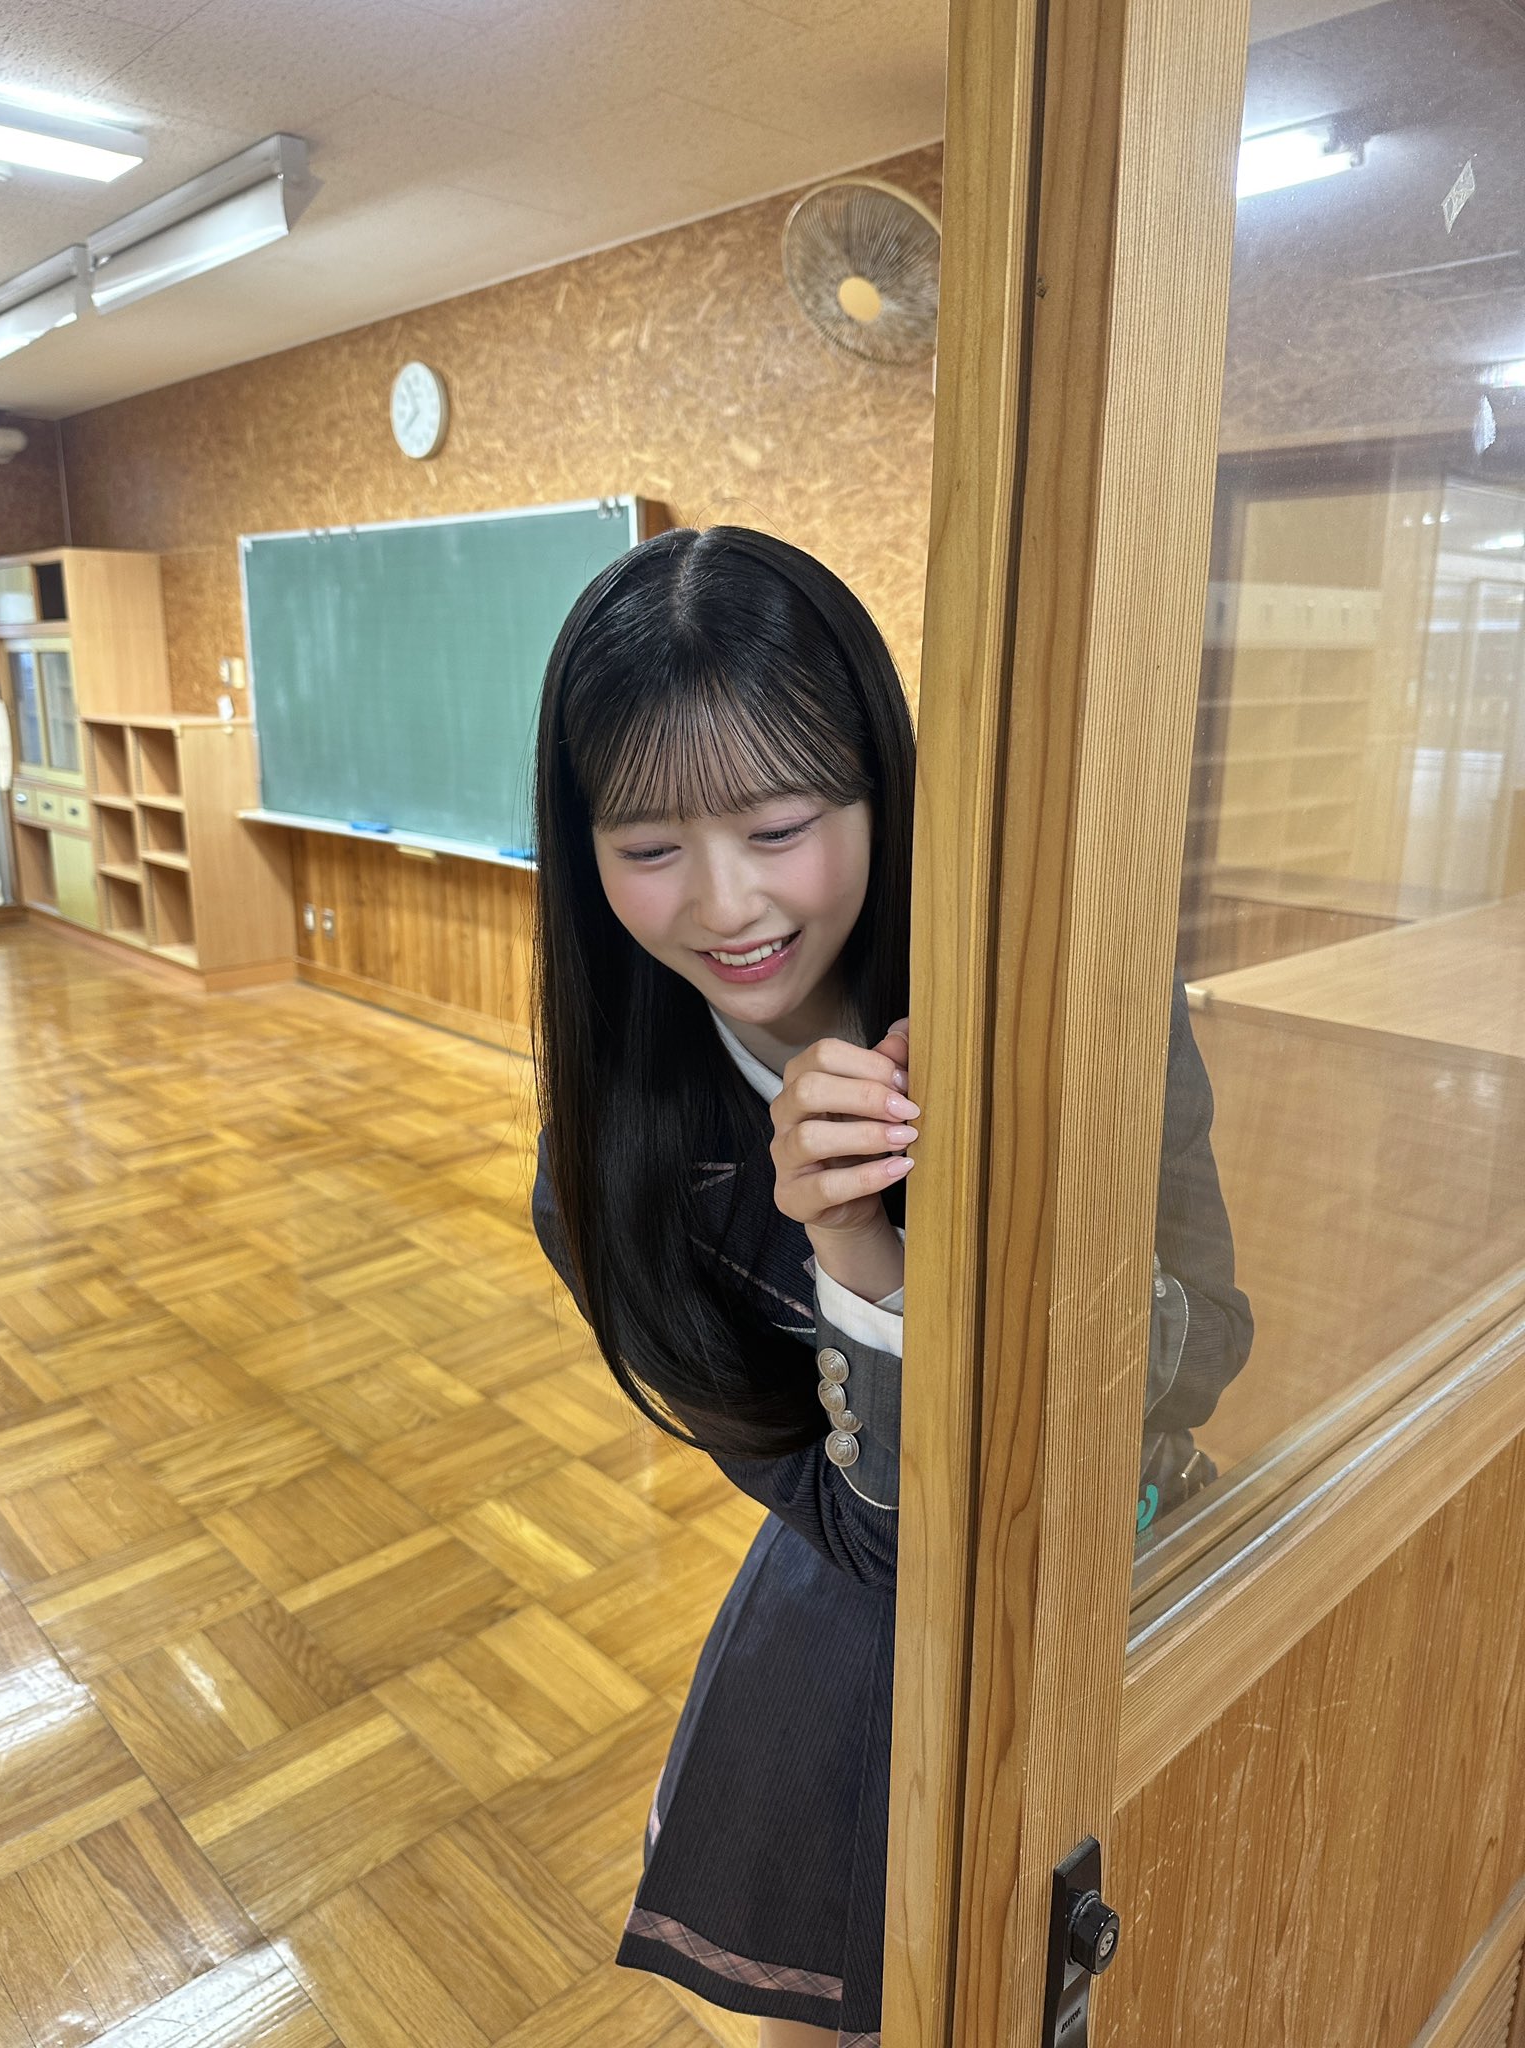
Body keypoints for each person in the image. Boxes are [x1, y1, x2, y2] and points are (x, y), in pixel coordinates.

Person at [528, 524, 1252, 2047]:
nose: (726, 905)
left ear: (882, 791)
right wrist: (859, 1255)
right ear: (584, 859)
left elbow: (1210, 1342)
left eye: (780, 826)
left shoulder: (1075, 993)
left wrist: (1028, 1205)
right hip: (864, 1594)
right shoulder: (610, 1176)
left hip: (1127, 1566)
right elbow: (878, 1541)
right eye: (649, 850)